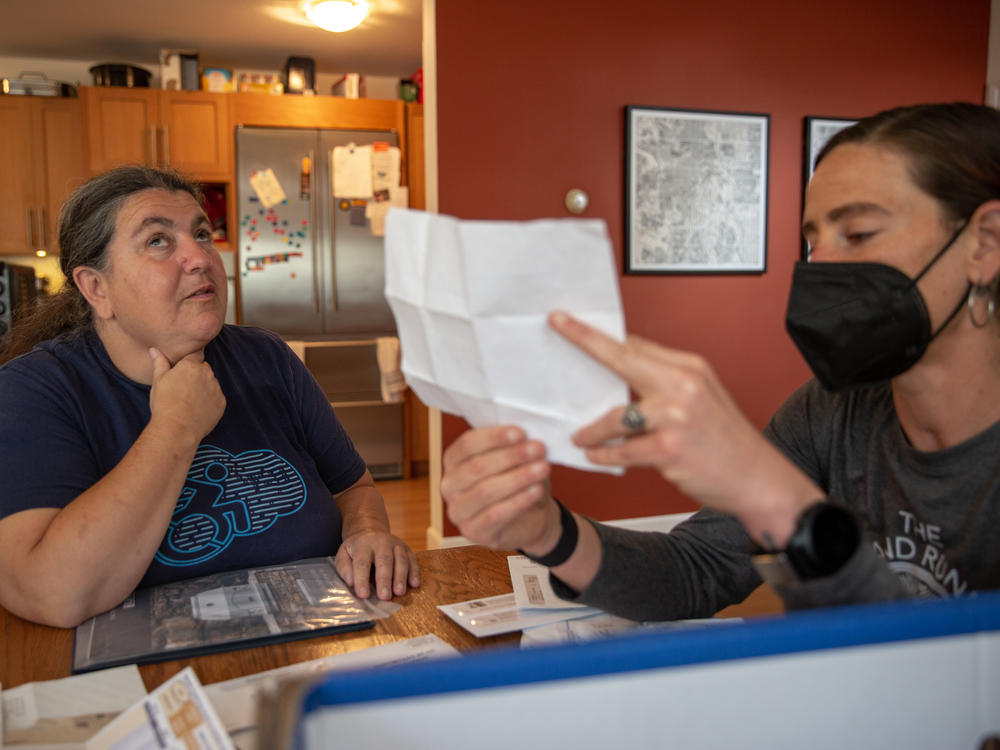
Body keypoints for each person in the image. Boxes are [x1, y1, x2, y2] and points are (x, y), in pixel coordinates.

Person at [440, 101, 1000, 621]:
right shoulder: (828, 412)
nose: (822, 264)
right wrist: (546, 530)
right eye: (813, 239)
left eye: (858, 233)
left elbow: (948, 688)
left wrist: (775, 498)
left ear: (985, 243)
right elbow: (695, 569)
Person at [0, 165, 419, 628]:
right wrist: (176, 428)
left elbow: (353, 487)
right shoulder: (34, 391)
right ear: (97, 288)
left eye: (202, 233)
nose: (199, 257)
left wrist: (368, 532)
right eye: (158, 240)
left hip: (313, 648)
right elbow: (51, 593)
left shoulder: (268, 358)